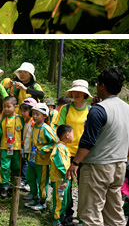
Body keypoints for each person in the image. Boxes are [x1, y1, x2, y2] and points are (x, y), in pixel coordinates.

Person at [66, 68, 129, 226]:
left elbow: (88, 141)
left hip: (97, 167)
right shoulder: (126, 108)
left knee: (91, 214)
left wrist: (75, 163)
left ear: (102, 86)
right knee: (114, 212)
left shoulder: (98, 110)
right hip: (119, 166)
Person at [58, 80, 90, 223]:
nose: (77, 94)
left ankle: (83, 215)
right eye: (74, 91)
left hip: (83, 154)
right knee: (67, 186)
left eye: (80, 91)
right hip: (67, 153)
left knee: (84, 186)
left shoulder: (91, 110)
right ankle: (67, 213)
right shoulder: (66, 108)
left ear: (85, 94)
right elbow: (60, 129)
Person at [25, 102, 56, 212]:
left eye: (37, 114)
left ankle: (43, 203)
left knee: (42, 182)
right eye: (33, 113)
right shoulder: (33, 126)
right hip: (32, 159)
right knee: (30, 178)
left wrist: (44, 150)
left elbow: (55, 142)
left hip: (42, 161)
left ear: (44, 116)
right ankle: (35, 198)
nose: (34, 116)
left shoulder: (46, 128)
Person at [0, 96, 22, 198]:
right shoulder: (2, 120)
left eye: (8, 107)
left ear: (15, 107)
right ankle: (5, 186)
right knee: (5, 167)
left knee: (16, 167)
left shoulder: (20, 119)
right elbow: (0, 134)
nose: (6, 109)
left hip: (16, 148)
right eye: (4, 107)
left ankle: (13, 185)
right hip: (5, 148)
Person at [50, 124, 73, 226]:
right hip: (61, 180)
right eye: (72, 134)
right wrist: (65, 179)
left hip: (65, 180)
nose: (74, 136)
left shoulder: (64, 147)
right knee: (59, 201)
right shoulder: (59, 148)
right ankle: (55, 220)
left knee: (65, 200)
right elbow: (62, 165)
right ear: (67, 135)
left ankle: (62, 217)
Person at [19, 98, 36, 192]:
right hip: (25, 148)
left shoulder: (33, 122)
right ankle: (24, 180)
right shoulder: (25, 121)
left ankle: (26, 181)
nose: (22, 113)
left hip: (31, 149)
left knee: (28, 165)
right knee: (25, 163)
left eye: (25, 111)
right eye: (22, 111)